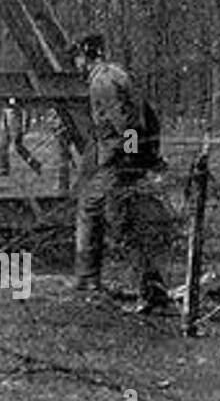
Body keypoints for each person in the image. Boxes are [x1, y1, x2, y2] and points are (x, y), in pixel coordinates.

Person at [71, 32, 171, 312]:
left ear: (87, 55)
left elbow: (127, 123)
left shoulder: (102, 81)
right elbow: (145, 115)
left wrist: (128, 157)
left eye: (78, 57)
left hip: (119, 160)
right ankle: (96, 279)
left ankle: (104, 282)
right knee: (102, 210)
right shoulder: (117, 74)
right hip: (123, 157)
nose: (76, 63)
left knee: (115, 218)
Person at [0, 97, 43, 176]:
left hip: (17, 128)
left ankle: (34, 163)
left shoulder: (20, 100)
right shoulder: (6, 102)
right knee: (2, 148)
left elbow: (25, 112)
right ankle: (4, 169)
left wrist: (24, 126)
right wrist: (4, 126)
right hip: (7, 128)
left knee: (18, 147)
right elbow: (4, 113)